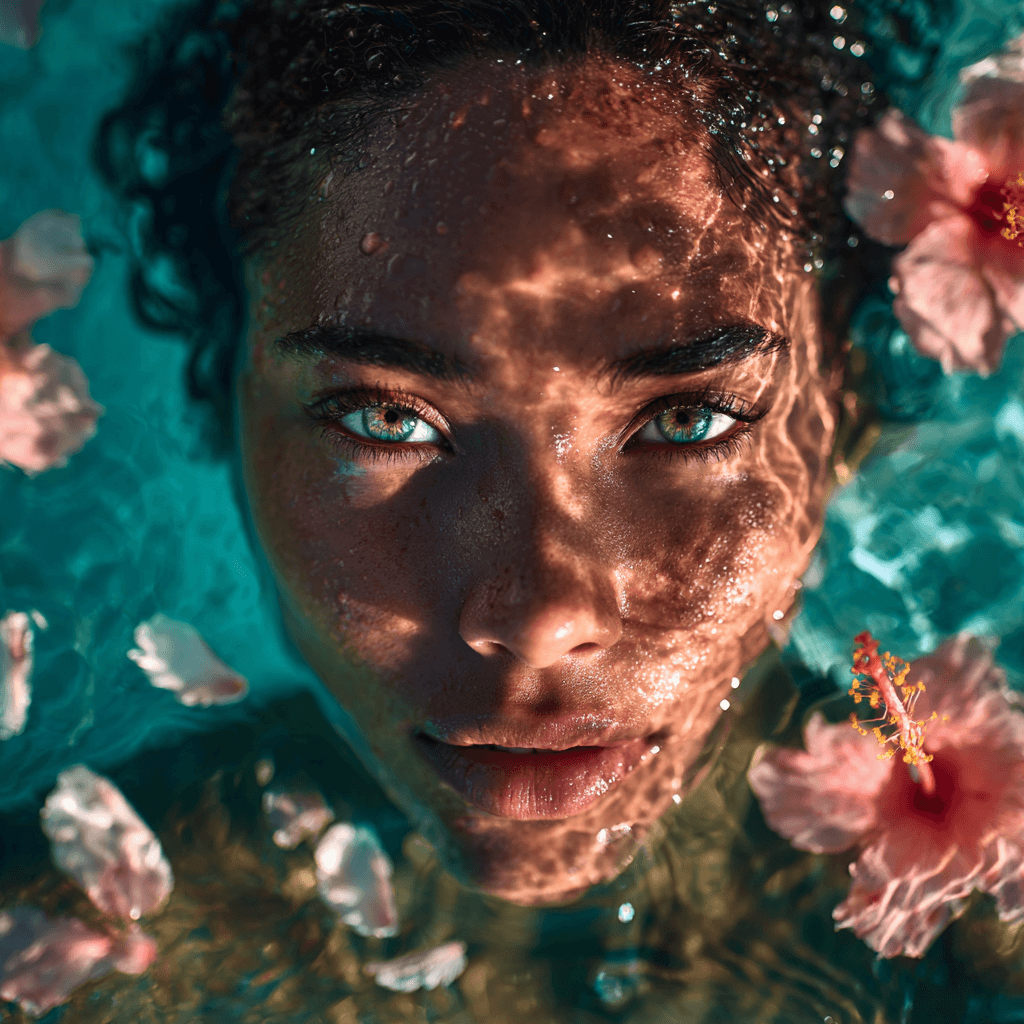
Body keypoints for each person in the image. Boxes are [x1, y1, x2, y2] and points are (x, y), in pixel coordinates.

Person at [11, 1, 979, 1020]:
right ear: (220, 390)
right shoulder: (41, 953)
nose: (537, 614)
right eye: (387, 418)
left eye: (687, 420)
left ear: (848, 406)